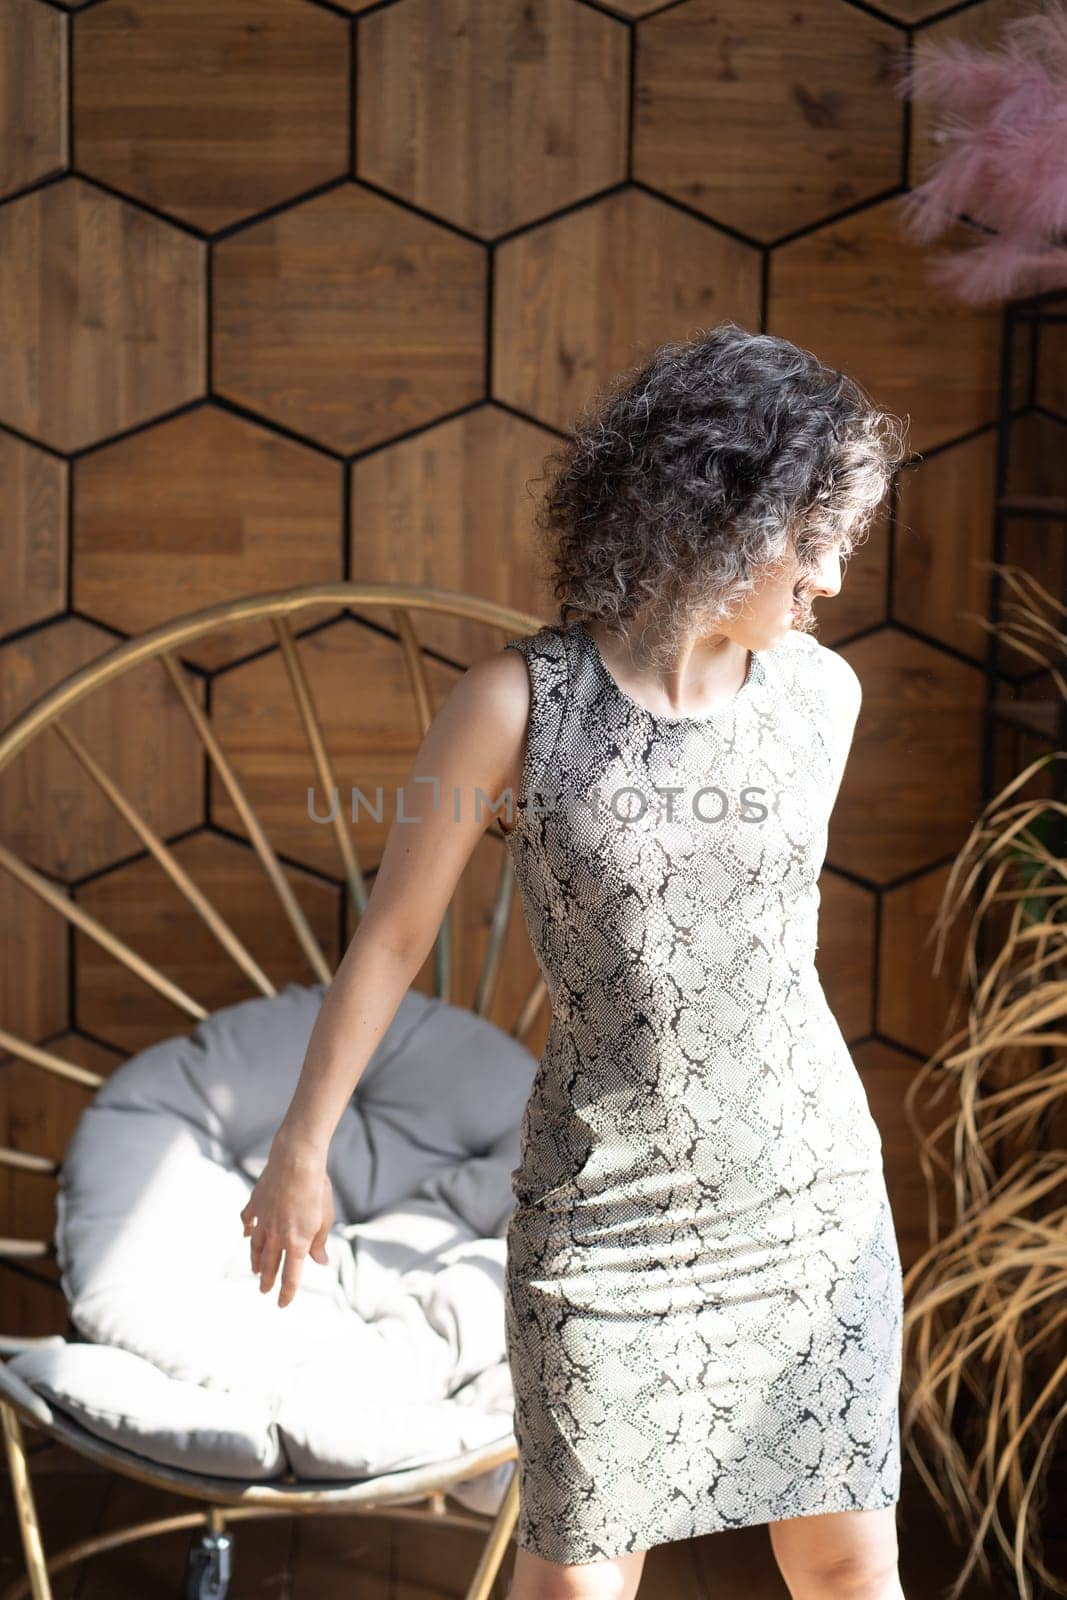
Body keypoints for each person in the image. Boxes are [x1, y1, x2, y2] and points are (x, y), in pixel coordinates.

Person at [240, 321, 911, 1600]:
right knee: (576, 1579)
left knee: (842, 1563)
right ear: (720, 511)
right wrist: (300, 1148)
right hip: (605, 1211)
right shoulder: (517, 703)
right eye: (812, 536)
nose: (830, 576)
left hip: (810, 1193)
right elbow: (393, 936)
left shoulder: (822, 699)